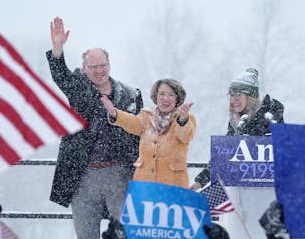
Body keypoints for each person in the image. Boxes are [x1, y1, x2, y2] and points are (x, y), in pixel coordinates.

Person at [46, 17, 143, 239]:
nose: (99, 71)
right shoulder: (78, 89)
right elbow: (60, 75)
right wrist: (58, 48)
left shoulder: (131, 94)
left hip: (120, 174)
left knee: (124, 234)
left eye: (102, 66)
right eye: (93, 67)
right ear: (84, 68)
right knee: (85, 234)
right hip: (82, 174)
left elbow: (140, 134)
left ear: (109, 65)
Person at [191, 68, 285, 238]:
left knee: (258, 231)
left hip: (262, 190)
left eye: (238, 95)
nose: (233, 100)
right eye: (231, 95)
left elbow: (280, 149)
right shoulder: (236, 120)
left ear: (250, 97)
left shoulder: (270, 115)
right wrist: (199, 181)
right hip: (239, 191)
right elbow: (223, 155)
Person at [101, 78, 196, 188]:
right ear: (156, 96)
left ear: (177, 99)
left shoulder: (185, 119)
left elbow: (185, 135)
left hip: (173, 188)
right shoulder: (146, 116)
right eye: (162, 94)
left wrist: (182, 119)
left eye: (171, 94)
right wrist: (114, 113)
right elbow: (132, 122)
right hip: (144, 186)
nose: (166, 98)